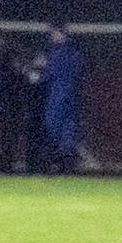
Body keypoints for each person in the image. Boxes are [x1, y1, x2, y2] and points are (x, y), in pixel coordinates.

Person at [39, 22, 86, 174]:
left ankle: (59, 164)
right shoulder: (73, 52)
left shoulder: (60, 52)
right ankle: (66, 165)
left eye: (55, 33)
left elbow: (50, 71)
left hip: (60, 95)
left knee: (55, 129)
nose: (53, 36)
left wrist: (42, 65)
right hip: (67, 95)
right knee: (66, 130)